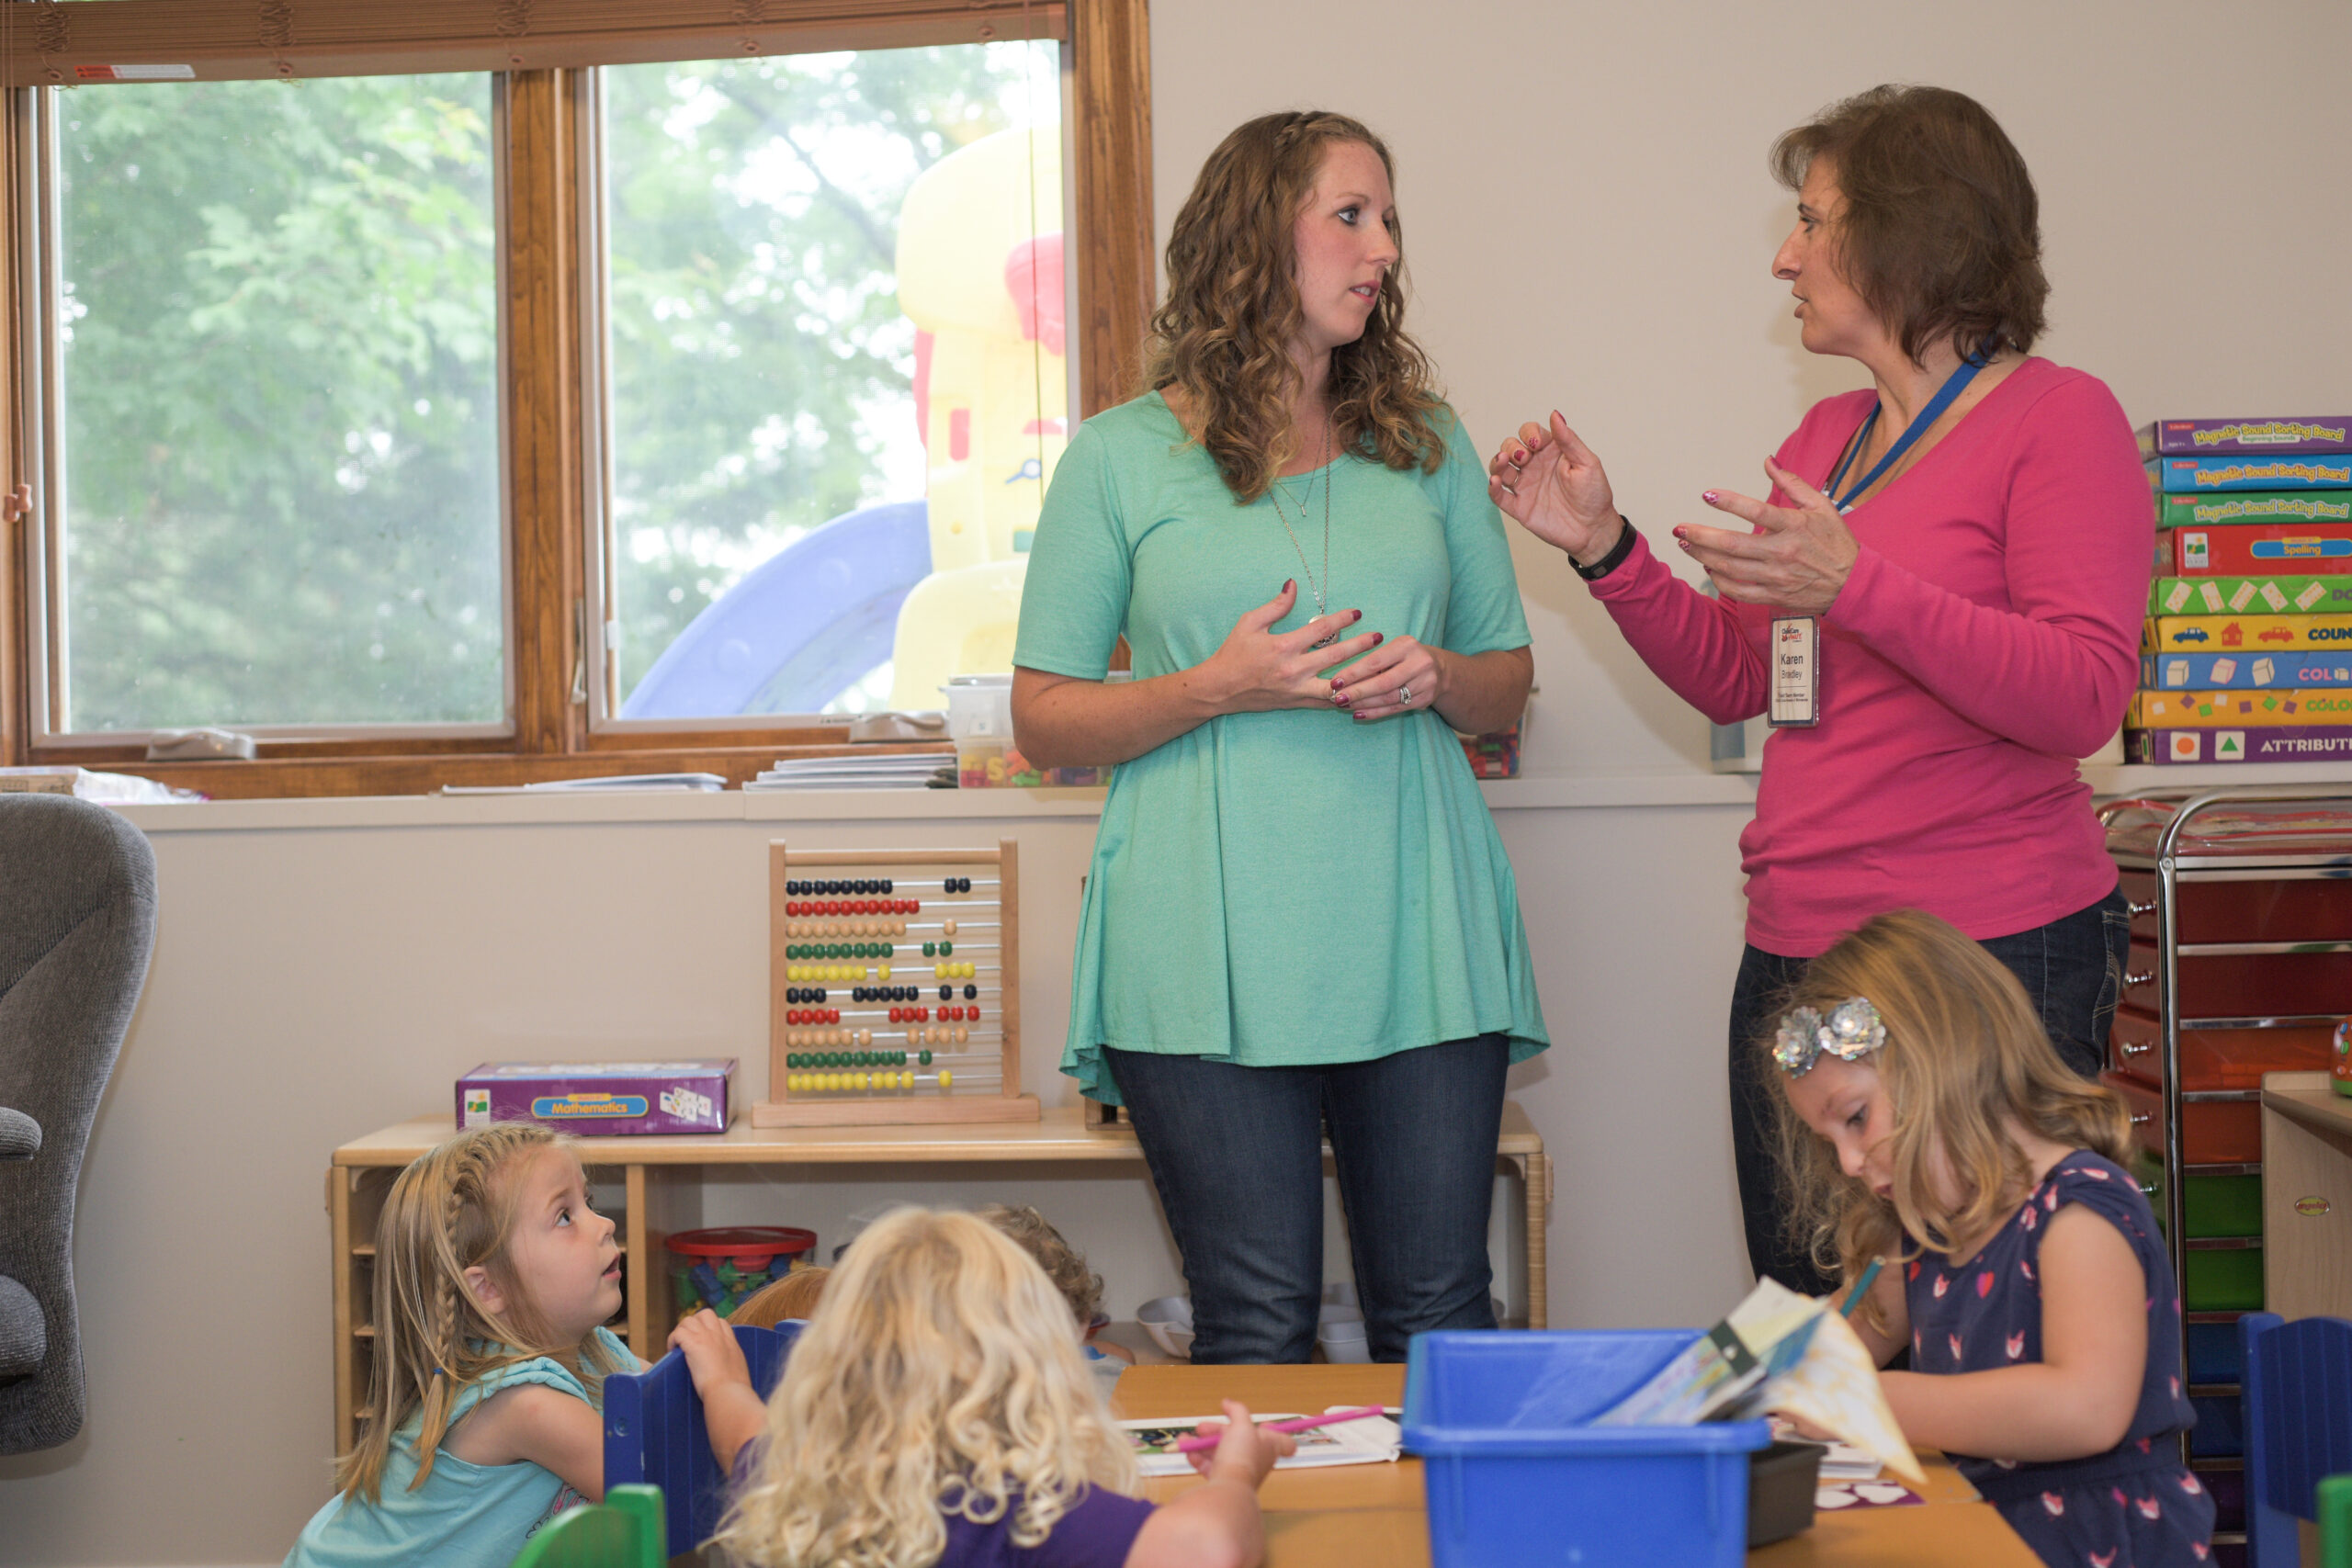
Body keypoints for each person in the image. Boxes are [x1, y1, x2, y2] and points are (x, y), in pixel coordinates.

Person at [1487, 84, 2147, 1296]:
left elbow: (2083, 696)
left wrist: (1859, 583)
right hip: (1803, 951)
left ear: (1915, 231)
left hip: (1980, 957)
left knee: (1981, 1309)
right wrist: (1604, 547)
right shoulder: (1826, 442)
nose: (1785, 256)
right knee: (1815, 1303)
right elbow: (1747, 676)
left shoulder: (2062, 420)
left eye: (1812, 220)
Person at [1011, 109, 1547, 1364]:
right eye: (1349, 216)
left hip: (1419, 933)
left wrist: (1436, 675)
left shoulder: (1428, 441)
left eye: (1390, 219)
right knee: (1253, 1324)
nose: (1382, 249)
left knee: (1441, 1319)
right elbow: (1043, 713)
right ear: (1255, 240)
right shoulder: (1117, 458)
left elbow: (1509, 683)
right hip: (1198, 950)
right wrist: (1214, 684)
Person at [1770, 909, 2213, 1566]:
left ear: (1944, 1058)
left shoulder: (2080, 1210)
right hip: (1979, 1534)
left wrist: (1873, 1401)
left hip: (2101, 1544)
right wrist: (1735, 1366)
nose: (1849, 1163)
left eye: (1856, 1119)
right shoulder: (1925, 1227)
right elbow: (1848, 1328)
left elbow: (2086, 1408)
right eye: (1829, 1139)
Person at [704, 1207, 1295, 1568]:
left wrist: (721, 1380)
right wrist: (1239, 1472)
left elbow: (740, 1432)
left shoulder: (796, 1478)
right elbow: (1210, 1549)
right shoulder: (1010, 1507)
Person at [284, 1124, 757, 1566]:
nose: (604, 1224)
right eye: (565, 1216)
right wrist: (725, 1388)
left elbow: (673, 1409)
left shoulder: (596, 1348)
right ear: (487, 1289)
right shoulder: (522, 1404)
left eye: (588, 1202)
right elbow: (663, 1508)